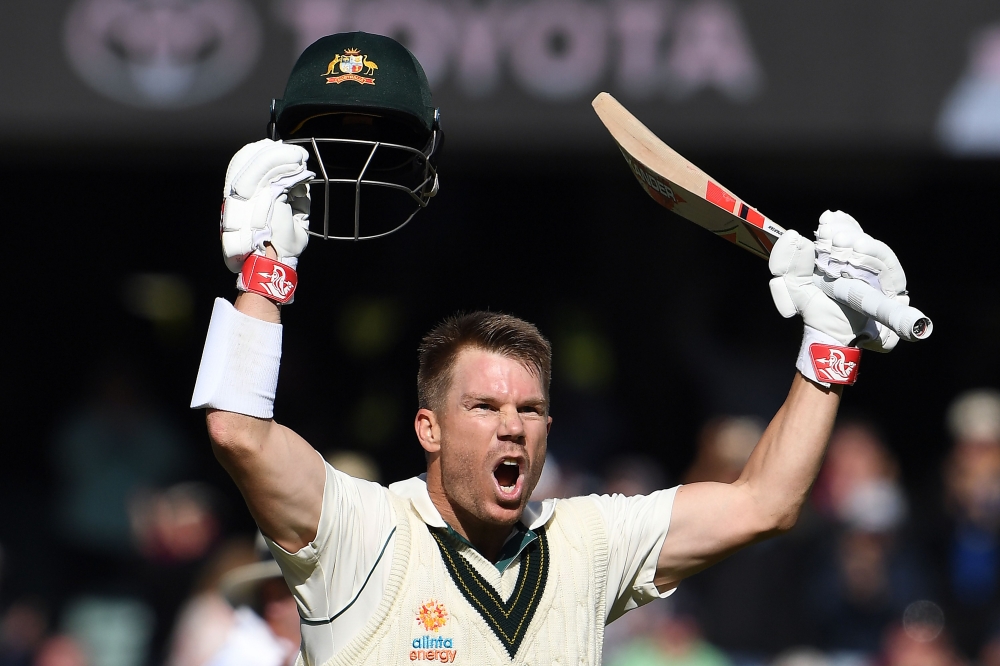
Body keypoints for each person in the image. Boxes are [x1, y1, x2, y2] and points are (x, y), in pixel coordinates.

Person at [191, 31, 921, 666]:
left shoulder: (586, 543)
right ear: (428, 428)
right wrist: (264, 276)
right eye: (483, 405)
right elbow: (238, 432)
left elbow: (764, 503)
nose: (513, 424)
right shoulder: (362, 530)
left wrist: (827, 346)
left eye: (531, 409)